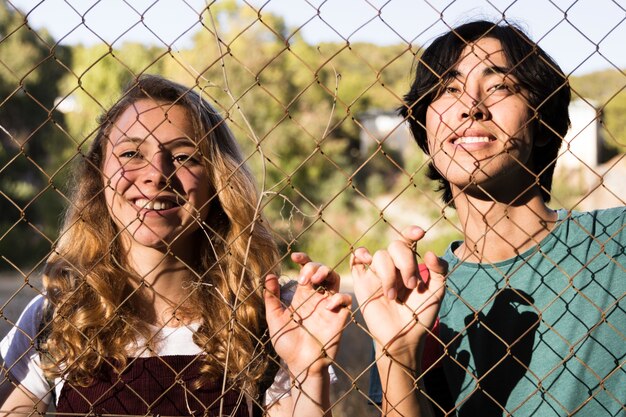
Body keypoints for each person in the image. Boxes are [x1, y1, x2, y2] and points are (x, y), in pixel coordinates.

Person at [0, 75, 351, 417]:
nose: (157, 173)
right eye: (131, 153)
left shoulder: (269, 318)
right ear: (98, 174)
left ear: (218, 180)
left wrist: (309, 372)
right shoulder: (58, 315)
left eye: (184, 157)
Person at [352, 20, 626, 417]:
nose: (471, 106)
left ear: (542, 121)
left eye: (499, 86)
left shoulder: (615, 242)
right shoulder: (412, 295)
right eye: (448, 89)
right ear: (424, 128)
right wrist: (397, 353)